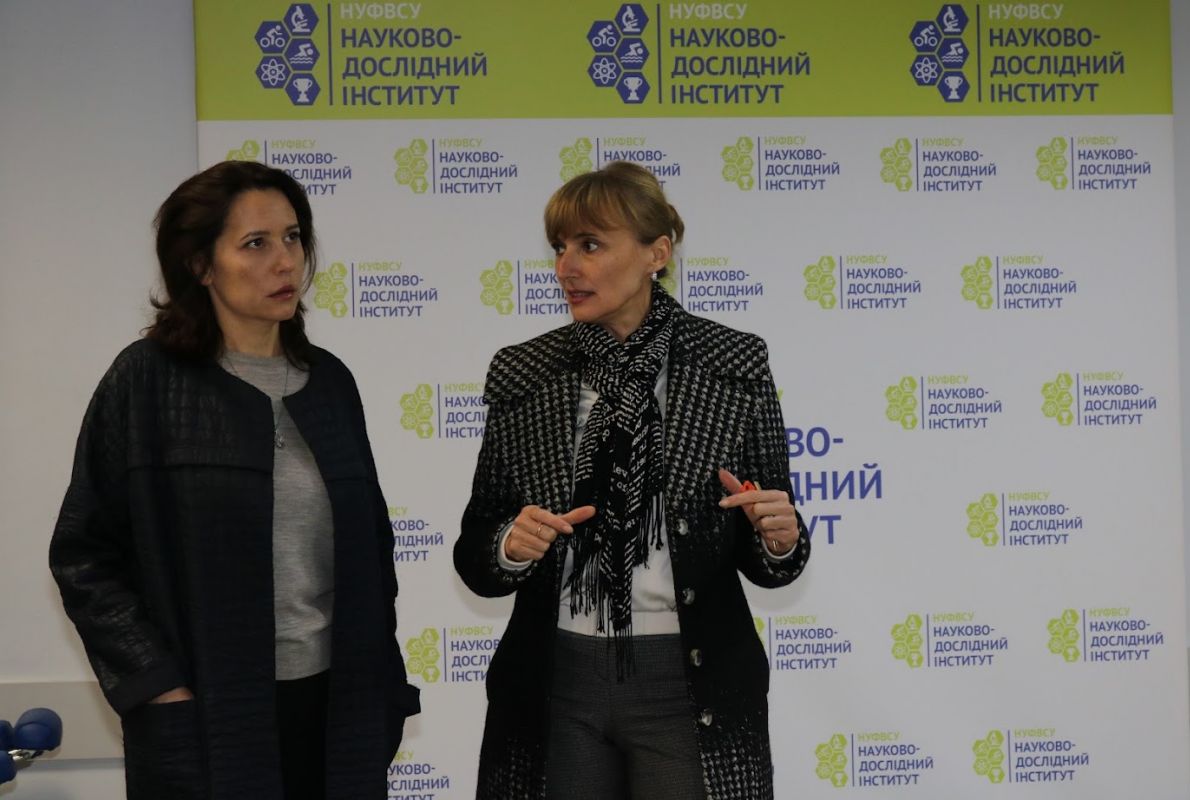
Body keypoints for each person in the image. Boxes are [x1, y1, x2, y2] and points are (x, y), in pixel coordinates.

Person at [49, 161, 419, 800]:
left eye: (293, 237)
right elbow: (84, 555)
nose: (286, 261)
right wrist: (159, 685)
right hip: (209, 715)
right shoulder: (146, 382)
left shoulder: (331, 383)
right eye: (256, 243)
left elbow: (373, 549)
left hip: (338, 710)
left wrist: (381, 681)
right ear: (201, 265)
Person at [455, 161, 811, 799]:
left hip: (691, 682)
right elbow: (477, 548)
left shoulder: (732, 364)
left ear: (657, 253)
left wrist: (779, 539)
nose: (567, 266)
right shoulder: (524, 372)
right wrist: (509, 545)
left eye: (590, 245)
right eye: (560, 247)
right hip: (555, 683)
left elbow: (769, 547)